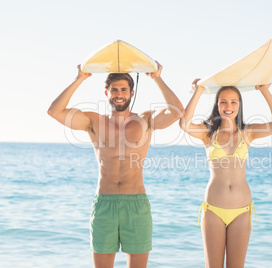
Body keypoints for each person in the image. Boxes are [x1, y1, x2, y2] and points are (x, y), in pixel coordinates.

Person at [48, 62, 184, 268]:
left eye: (123, 90)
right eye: (114, 90)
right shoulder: (93, 121)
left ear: (132, 92)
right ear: (107, 93)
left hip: (136, 203)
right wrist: (80, 78)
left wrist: (157, 78)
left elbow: (177, 112)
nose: (119, 94)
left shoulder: (146, 119)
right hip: (105, 204)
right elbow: (54, 111)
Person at [179, 80, 272, 267]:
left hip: (241, 211)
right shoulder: (208, 133)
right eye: (223, 102)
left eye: (234, 102)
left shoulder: (248, 133)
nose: (228, 106)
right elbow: (185, 124)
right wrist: (199, 90)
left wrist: (264, 91)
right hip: (213, 210)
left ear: (240, 105)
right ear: (217, 105)